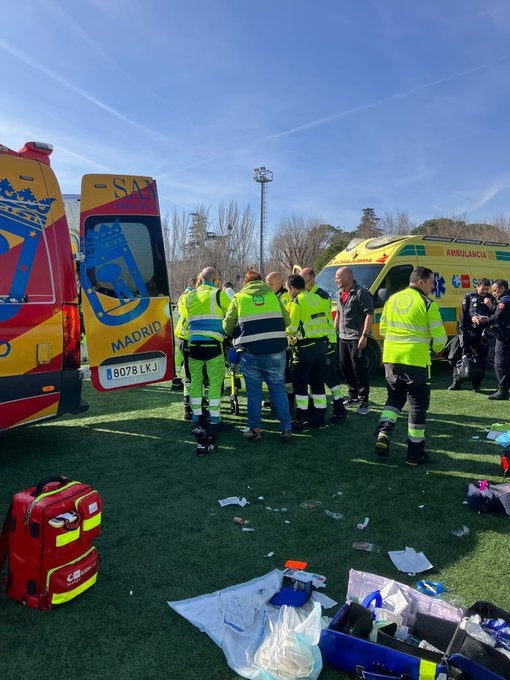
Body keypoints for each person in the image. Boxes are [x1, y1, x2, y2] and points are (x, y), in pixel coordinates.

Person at [375, 266, 447, 466]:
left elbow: (382, 328)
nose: (433, 286)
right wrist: (437, 348)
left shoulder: (391, 300)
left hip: (391, 358)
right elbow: (440, 339)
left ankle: (384, 431)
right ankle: (414, 453)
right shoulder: (427, 304)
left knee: (395, 398)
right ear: (421, 281)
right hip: (415, 361)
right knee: (417, 406)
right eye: (432, 282)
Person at [223, 270, 292, 442]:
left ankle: (255, 430)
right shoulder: (273, 297)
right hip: (276, 351)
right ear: (261, 282)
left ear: (245, 283)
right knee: (278, 390)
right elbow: (288, 321)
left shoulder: (239, 298)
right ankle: (286, 429)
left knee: (254, 393)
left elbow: (227, 325)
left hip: (250, 353)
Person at [182, 267, 231, 455]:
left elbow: (186, 320)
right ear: (215, 280)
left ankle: (197, 417)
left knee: (196, 382)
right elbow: (231, 313)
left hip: (194, 344)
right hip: (213, 344)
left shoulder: (189, 296)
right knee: (215, 383)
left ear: (200, 279)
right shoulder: (218, 294)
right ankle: (215, 420)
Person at [301, 267, 347, 424]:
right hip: (320, 341)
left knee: (329, 378)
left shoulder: (321, 296)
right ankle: (318, 410)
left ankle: (339, 408)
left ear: (312, 279)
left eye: (303, 281)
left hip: (326, 341)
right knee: (317, 379)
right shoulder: (309, 295)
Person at [286, 274, 330, 429]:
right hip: (321, 346)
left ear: (292, 288)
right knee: (318, 384)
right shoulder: (318, 298)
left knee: (300, 385)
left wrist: (283, 332)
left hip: (304, 348)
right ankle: (319, 418)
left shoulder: (296, 301)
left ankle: (301, 418)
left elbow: (292, 327)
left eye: (288, 289)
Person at [334, 266, 374, 415]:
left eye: (338, 277)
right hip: (343, 337)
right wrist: (334, 331)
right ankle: (353, 396)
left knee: (359, 369)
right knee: (345, 368)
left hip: (357, 338)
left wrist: (364, 335)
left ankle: (364, 401)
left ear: (346, 278)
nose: (336, 280)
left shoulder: (361, 293)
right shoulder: (339, 294)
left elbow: (369, 315)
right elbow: (338, 313)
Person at [448, 278, 494, 392]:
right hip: (469, 332)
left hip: (483, 334)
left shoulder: (491, 299)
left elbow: (496, 315)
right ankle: (456, 382)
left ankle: (476, 384)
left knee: (481, 359)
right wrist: (462, 331)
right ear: (477, 287)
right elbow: (463, 314)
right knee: (461, 357)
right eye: (483, 289)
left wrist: (491, 306)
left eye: (487, 289)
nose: (485, 291)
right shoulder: (469, 296)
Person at [472, 279, 510, 400]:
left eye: (495, 290)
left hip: (504, 335)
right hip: (505, 334)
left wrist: (481, 322)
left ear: (502, 288)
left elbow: (497, 318)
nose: (493, 293)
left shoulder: (505, 300)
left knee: (500, 363)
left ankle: (503, 390)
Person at [266, 271, 294, 409]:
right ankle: (275, 399)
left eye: (270, 284)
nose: (267, 286)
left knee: (285, 375)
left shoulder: (285, 297)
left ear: (279, 283)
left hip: (285, 343)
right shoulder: (271, 296)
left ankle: (289, 400)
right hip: (273, 342)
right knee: (273, 374)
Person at [173, 277, 196, 414]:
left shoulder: (186, 295)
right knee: (192, 375)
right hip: (188, 337)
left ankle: (190, 403)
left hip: (183, 336)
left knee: (189, 373)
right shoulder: (190, 296)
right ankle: (189, 406)